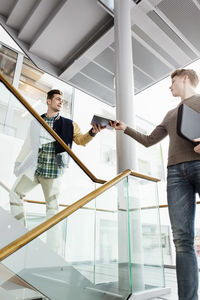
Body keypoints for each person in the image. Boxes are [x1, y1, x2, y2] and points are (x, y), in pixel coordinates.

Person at [111, 69, 200, 300]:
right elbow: (150, 140)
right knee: (182, 240)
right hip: (175, 175)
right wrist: (125, 128)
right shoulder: (170, 113)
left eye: (172, 82)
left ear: (185, 78)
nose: (169, 87)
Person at [9, 89, 103, 228]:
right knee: (15, 194)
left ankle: (53, 245)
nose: (61, 102)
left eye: (62, 100)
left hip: (54, 171)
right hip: (34, 168)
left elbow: (81, 140)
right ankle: (21, 231)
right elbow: (27, 145)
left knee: (52, 209)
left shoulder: (70, 124)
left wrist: (92, 132)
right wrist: (18, 163)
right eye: (58, 99)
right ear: (48, 100)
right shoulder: (36, 121)